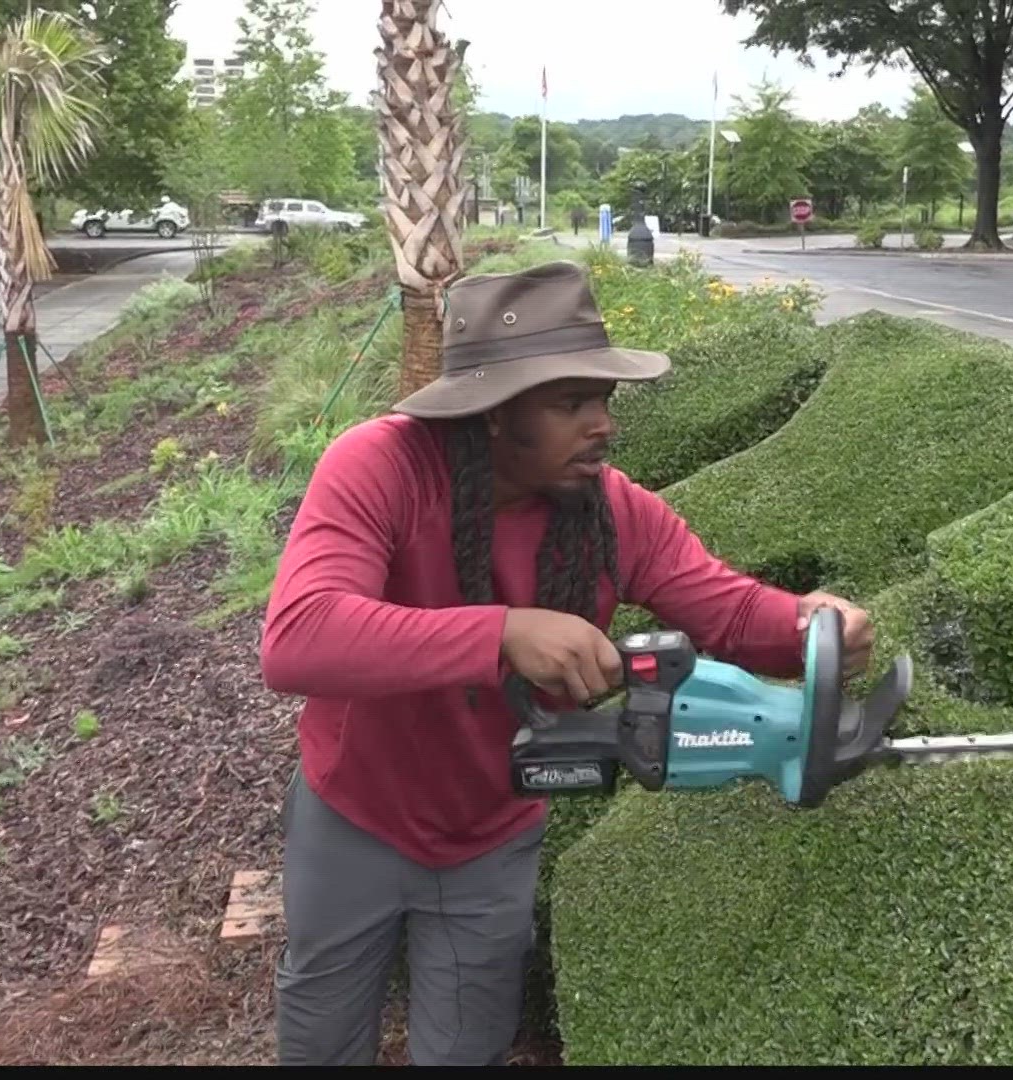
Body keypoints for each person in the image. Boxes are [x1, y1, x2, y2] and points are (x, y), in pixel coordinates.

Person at [258, 259, 874, 1066]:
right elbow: (299, 637)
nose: (603, 425)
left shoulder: (611, 512)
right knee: (323, 1029)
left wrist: (814, 626)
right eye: (569, 401)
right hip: (355, 813)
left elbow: (725, 608)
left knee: (465, 1046)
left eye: (603, 400)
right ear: (488, 413)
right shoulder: (384, 466)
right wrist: (501, 633)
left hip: (494, 832)